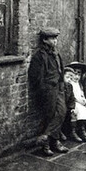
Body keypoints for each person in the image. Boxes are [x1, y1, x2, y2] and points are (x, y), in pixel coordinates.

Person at [27, 27, 70, 157]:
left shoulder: (56, 53)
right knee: (49, 114)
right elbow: (35, 75)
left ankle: (46, 136)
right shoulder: (39, 56)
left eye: (56, 38)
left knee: (61, 112)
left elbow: (60, 69)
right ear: (45, 40)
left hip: (58, 87)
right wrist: (43, 89)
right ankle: (49, 144)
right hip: (48, 89)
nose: (55, 41)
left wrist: (62, 84)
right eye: (52, 38)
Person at [64, 62, 86, 143]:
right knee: (79, 109)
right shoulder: (70, 83)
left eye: (79, 74)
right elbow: (72, 96)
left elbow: (81, 93)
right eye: (75, 74)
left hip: (79, 100)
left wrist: (83, 99)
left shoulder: (79, 84)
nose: (76, 77)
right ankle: (76, 132)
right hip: (73, 102)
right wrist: (80, 101)